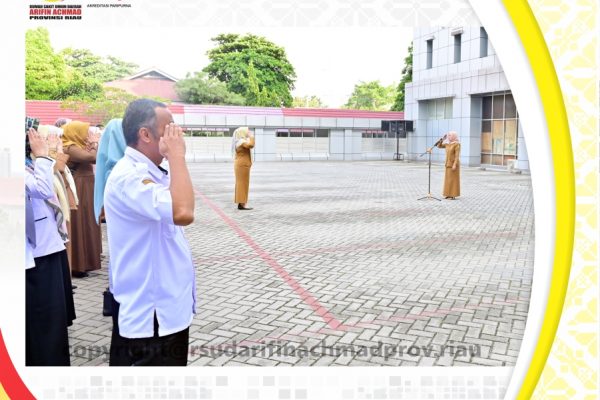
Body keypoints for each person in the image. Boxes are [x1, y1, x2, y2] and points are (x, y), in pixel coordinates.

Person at [104, 99, 196, 366]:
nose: (176, 135)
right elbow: (184, 212)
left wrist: (173, 160)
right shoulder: (130, 177)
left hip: (164, 309)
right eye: (169, 128)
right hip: (152, 315)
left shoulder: (151, 170)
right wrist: (177, 155)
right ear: (145, 134)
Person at [25, 127, 75, 366]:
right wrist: (45, 155)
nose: (39, 140)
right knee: (44, 318)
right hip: (36, 252)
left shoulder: (24, 163)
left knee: (49, 318)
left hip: (45, 247)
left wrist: (50, 154)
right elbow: (44, 189)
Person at [61, 121, 102, 278]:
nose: (87, 135)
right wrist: (94, 143)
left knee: (88, 223)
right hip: (79, 187)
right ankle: (78, 265)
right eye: (85, 132)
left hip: (85, 186)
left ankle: (87, 262)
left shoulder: (75, 145)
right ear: (75, 132)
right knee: (80, 224)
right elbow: (93, 157)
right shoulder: (69, 146)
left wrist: (92, 144)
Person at [428, 131, 461, 199]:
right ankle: (448, 194)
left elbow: (457, 156)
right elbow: (439, 146)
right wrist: (442, 139)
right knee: (448, 180)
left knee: (453, 180)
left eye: (450, 135)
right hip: (447, 164)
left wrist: (455, 164)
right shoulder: (447, 144)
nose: (448, 137)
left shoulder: (456, 144)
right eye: (448, 135)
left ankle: (453, 195)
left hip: (453, 165)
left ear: (454, 136)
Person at [232, 126, 255, 210]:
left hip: (241, 165)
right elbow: (251, 145)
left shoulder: (239, 141)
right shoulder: (241, 141)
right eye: (246, 131)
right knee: (242, 184)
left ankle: (241, 203)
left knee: (242, 184)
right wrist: (251, 136)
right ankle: (242, 204)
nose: (248, 132)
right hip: (242, 165)